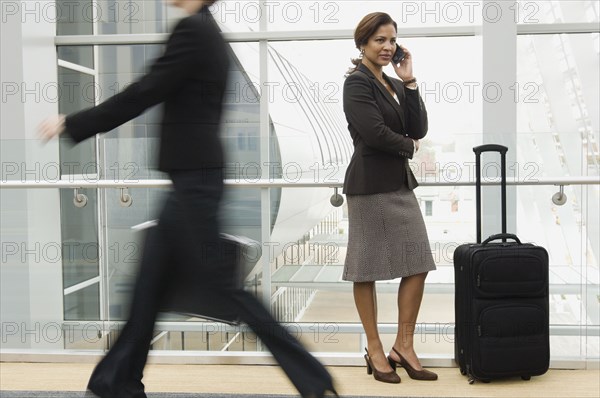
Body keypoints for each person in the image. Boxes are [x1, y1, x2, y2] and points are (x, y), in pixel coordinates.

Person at [39, 1, 336, 397]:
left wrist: (72, 122)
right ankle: (117, 382)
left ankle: (313, 380)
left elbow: (145, 91)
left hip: (195, 182)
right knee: (148, 290)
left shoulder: (194, 31)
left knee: (225, 289)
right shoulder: (206, 31)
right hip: (191, 181)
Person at [341, 12, 438, 384]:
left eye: (392, 40)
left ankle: (404, 345)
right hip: (368, 187)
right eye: (379, 40)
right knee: (365, 268)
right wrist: (410, 146)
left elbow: (419, 128)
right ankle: (376, 347)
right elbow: (375, 133)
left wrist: (409, 81)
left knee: (417, 262)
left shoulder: (393, 84)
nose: (388, 46)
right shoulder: (357, 83)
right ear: (362, 43)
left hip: (398, 184)